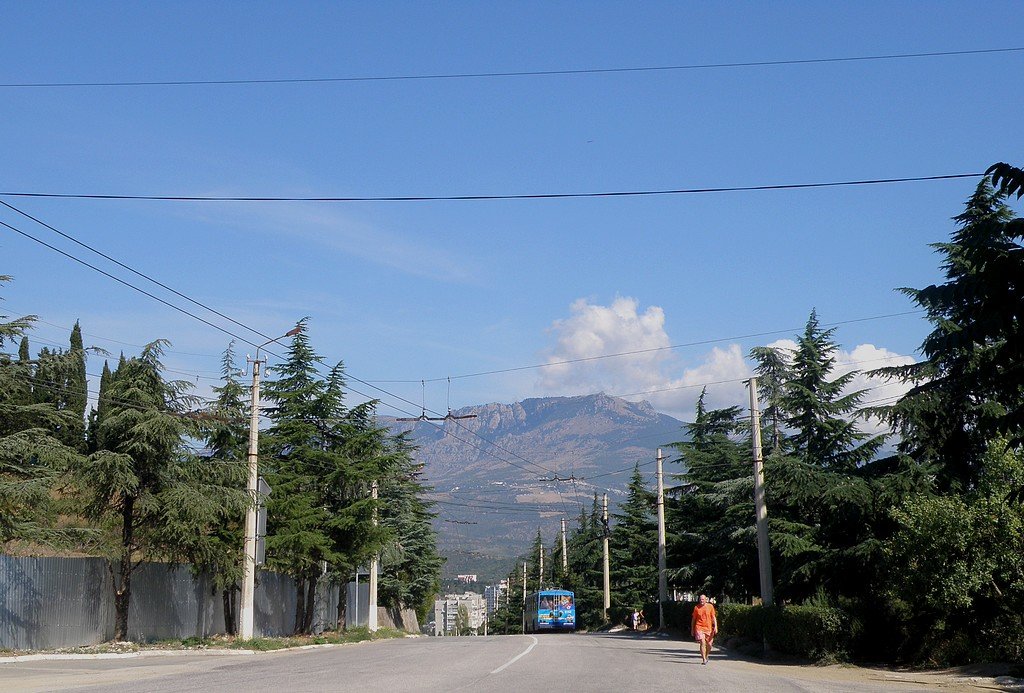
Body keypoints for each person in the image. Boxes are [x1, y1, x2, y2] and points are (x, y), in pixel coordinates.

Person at [690, 594, 718, 665]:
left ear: (706, 600)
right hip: (699, 627)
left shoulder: (710, 606)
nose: (701, 601)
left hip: (709, 628)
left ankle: (706, 655)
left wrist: (716, 627)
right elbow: (693, 619)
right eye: (700, 599)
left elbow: (713, 617)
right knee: (702, 642)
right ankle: (704, 659)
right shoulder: (696, 608)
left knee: (709, 644)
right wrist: (692, 629)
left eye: (702, 599)